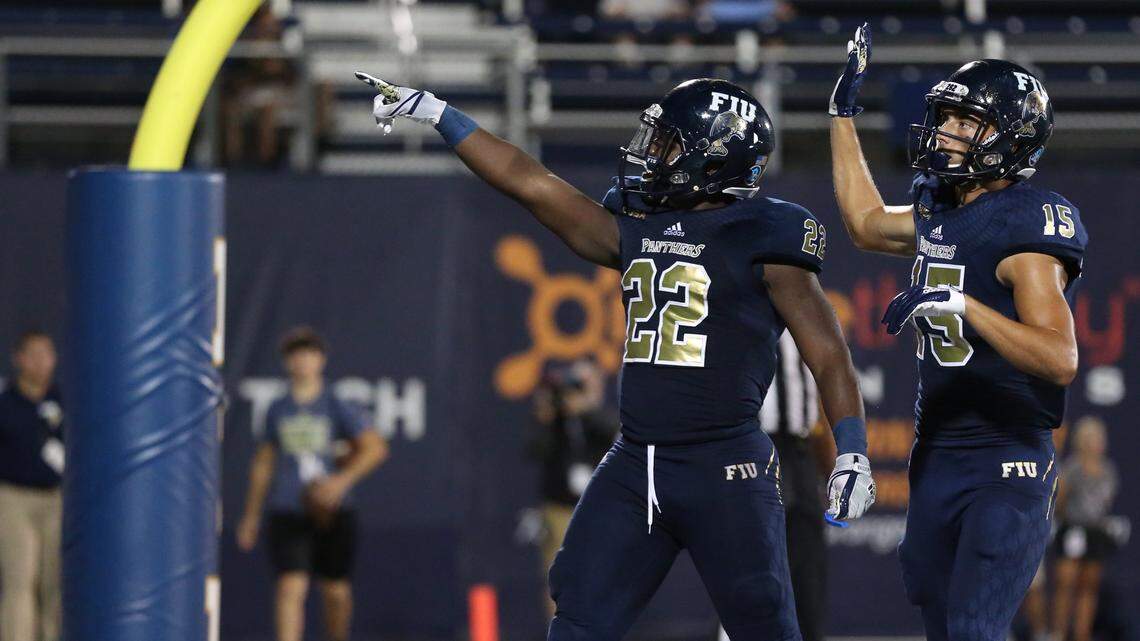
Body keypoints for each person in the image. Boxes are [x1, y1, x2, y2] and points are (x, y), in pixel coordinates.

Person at [360, 71, 876, 640]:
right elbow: (530, 183)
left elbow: (828, 354)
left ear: (713, 157)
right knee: (578, 619)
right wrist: (439, 113)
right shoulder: (637, 223)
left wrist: (852, 450)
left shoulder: (766, 236)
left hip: (725, 465)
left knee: (766, 627)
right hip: (635, 461)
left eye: (669, 144)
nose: (651, 154)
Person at [829, 23, 1087, 641]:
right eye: (946, 117)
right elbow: (865, 224)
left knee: (975, 626)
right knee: (940, 619)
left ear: (1010, 137)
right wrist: (841, 115)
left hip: (1007, 455)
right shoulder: (940, 206)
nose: (945, 131)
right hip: (937, 451)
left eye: (965, 122)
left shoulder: (1025, 231)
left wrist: (964, 305)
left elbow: (1060, 358)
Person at [236, 327, 388, 641]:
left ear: (321, 360)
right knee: (290, 586)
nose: (303, 361)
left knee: (335, 591)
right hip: (289, 506)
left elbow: (375, 447)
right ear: (287, 362)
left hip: (332, 509)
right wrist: (251, 515)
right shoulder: (278, 408)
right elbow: (264, 462)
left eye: (309, 354)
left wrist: (341, 481)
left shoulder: (335, 403)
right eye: (296, 355)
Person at [716, 329, 835, 641]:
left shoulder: (805, 321)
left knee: (807, 568)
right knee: (755, 562)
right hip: (755, 447)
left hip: (801, 450)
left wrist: (831, 466)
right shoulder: (743, 316)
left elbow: (818, 395)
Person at [529, 359, 620, 619]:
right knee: (559, 577)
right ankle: (560, 631)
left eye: (585, 383)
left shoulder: (602, 418)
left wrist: (586, 409)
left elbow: (614, 434)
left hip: (597, 509)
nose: (578, 389)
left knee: (601, 574)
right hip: (561, 508)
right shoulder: (556, 419)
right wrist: (548, 413)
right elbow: (535, 449)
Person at [0, 331, 65, 641]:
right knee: (20, 578)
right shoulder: (7, 401)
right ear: (19, 359)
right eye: (33, 354)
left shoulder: (62, 401)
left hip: (55, 499)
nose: (41, 362)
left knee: (56, 582)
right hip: (13, 499)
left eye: (47, 354)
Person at [1051, 416, 1119, 641]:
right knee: (1065, 584)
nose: (1094, 444)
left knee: (1089, 586)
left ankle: (1082, 633)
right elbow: (1061, 500)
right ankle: (1059, 633)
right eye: (1090, 439)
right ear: (1081, 441)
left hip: (1095, 532)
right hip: (1073, 530)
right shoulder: (1072, 467)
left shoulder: (1108, 470)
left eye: (1098, 439)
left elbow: (1107, 503)